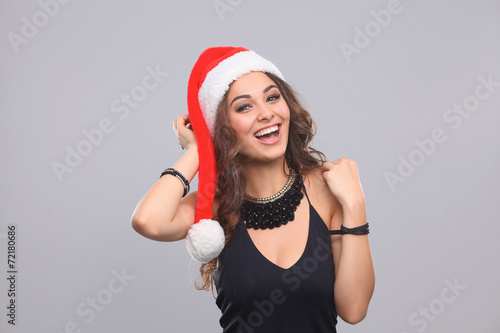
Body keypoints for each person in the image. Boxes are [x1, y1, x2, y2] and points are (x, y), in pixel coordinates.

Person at [131, 46, 375, 332]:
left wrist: (356, 206)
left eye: (272, 97)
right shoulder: (214, 207)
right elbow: (148, 221)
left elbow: (354, 309)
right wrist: (199, 150)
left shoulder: (328, 192)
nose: (266, 113)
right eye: (245, 106)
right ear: (223, 128)